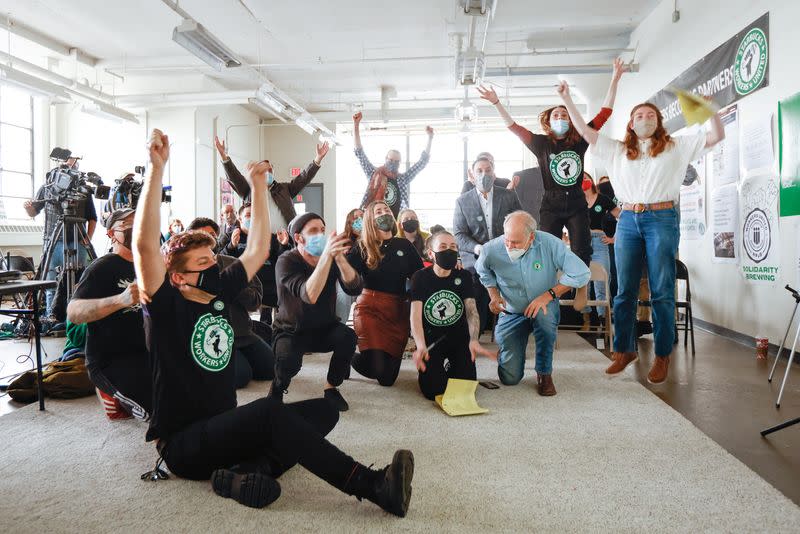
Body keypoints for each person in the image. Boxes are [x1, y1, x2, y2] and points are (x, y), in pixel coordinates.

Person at [133, 129, 415, 515]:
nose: (214, 265)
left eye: (213, 258)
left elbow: (257, 249)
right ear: (178, 277)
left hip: (226, 427)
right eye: (202, 263)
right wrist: (155, 170)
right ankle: (372, 485)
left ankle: (247, 473)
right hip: (184, 444)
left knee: (323, 412)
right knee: (269, 411)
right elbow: (145, 247)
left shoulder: (217, 289)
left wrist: (258, 187)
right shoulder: (163, 306)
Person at [558, 81, 724, 384]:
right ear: (631, 124)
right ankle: (624, 350)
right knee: (624, 291)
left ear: (658, 122)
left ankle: (662, 355)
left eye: (650, 115)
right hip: (629, 220)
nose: (645, 119)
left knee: (661, 288)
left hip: (662, 217)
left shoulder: (676, 145)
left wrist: (711, 110)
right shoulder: (618, 150)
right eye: (639, 116)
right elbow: (584, 130)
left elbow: (716, 135)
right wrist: (567, 98)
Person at [477, 58, 625, 267]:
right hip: (551, 203)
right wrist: (496, 102)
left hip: (576, 202)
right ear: (549, 120)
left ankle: (580, 287)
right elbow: (514, 127)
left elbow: (604, 114)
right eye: (556, 114)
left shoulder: (580, 139)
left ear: (571, 119)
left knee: (581, 248)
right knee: (546, 248)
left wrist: (615, 79)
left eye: (564, 115)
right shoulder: (541, 143)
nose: (561, 117)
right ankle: (549, 288)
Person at [476, 211, 590, 395]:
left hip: (544, 306)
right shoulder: (491, 249)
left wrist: (548, 295)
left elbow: (581, 272)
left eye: (516, 242)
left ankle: (544, 373)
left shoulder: (550, 243)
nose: (510, 246)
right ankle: (507, 355)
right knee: (510, 379)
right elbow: (483, 272)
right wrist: (494, 296)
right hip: (512, 310)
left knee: (545, 321)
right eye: (507, 240)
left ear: (532, 237)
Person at [272, 213, 362, 411]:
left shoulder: (330, 258)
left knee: (347, 337)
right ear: (298, 238)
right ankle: (277, 389)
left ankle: (331, 387)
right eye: (313, 231)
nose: (320, 235)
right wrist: (326, 259)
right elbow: (308, 295)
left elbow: (355, 288)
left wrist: (339, 258)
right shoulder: (286, 261)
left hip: (323, 327)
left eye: (322, 230)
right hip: (290, 329)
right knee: (288, 362)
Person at [67, 208, 150, 420]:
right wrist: (119, 300)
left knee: (189, 395)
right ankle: (110, 392)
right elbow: (73, 313)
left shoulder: (148, 265)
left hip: (148, 351)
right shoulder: (100, 268)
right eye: (128, 225)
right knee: (158, 415)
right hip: (111, 359)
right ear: (111, 234)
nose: (136, 228)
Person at [186, 217, 275, 389]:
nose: (206, 239)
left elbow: (255, 301)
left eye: (211, 235)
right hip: (211, 338)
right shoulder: (185, 271)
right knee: (240, 377)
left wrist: (231, 282)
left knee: (271, 369)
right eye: (201, 235)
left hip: (242, 334)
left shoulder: (234, 264)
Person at [410, 231, 496, 400]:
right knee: (434, 391)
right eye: (442, 247)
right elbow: (415, 316)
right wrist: (420, 345)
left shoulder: (463, 275)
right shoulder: (420, 277)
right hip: (432, 339)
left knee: (465, 388)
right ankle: (438, 369)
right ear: (431, 254)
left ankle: (452, 366)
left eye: (453, 247)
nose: (449, 251)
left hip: (458, 337)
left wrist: (474, 340)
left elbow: (471, 311)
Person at [348, 201, 424, 386]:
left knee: (387, 379)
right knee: (376, 369)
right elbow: (348, 279)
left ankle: (359, 354)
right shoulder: (361, 246)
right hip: (369, 309)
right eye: (378, 212)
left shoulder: (404, 245)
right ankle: (346, 353)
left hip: (397, 312)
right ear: (370, 220)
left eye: (387, 210)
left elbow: (420, 276)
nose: (384, 214)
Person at [24, 156, 98, 321]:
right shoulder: (48, 187)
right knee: (51, 283)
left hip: (77, 241)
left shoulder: (83, 190)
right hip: (54, 240)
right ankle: (53, 317)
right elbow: (33, 212)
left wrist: (88, 238)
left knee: (80, 280)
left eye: (73, 166)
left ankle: (77, 315)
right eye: (66, 165)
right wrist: (28, 208)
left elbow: (92, 217)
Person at [453, 156, 522, 333]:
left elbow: (521, 223)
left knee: (511, 302)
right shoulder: (462, 201)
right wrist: (478, 248)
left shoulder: (508, 196)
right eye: (479, 171)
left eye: (488, 170)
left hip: (506, 257)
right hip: (476, 261)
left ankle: (508, 334)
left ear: (494, 172)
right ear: (472, 175)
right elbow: (459, 234)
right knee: (476, 302)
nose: (484, 174)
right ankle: (474, 338)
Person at [352, 111, 434, 218]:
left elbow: (422, 163)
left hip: (395, 222)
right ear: (386, 159)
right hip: (373, 220)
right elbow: (359, 152)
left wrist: (430, 138)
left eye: (396, 162)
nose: (393, 163)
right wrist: (356, 124)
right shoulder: (373, 173)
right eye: (391, 160)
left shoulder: (403, 178)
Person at [581, 174, 620, 330]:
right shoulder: (576, 201)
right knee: (582, 283)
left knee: (601, 281)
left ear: (590, 180)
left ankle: (604, 321)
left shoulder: (602, 199)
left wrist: (615, 238)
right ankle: (587, 321)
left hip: (599, 242)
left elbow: (622, 216)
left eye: (585, 177)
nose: (583, 180)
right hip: (581, 243)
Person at [336, 208, 364, 323]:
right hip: (347, 280)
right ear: (350, 223)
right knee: (344, 294)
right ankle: (339, 326)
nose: (360, 220)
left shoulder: (373, 239)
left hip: (365, 279)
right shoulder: (342, 239)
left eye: (362, 217)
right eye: (356, 218)